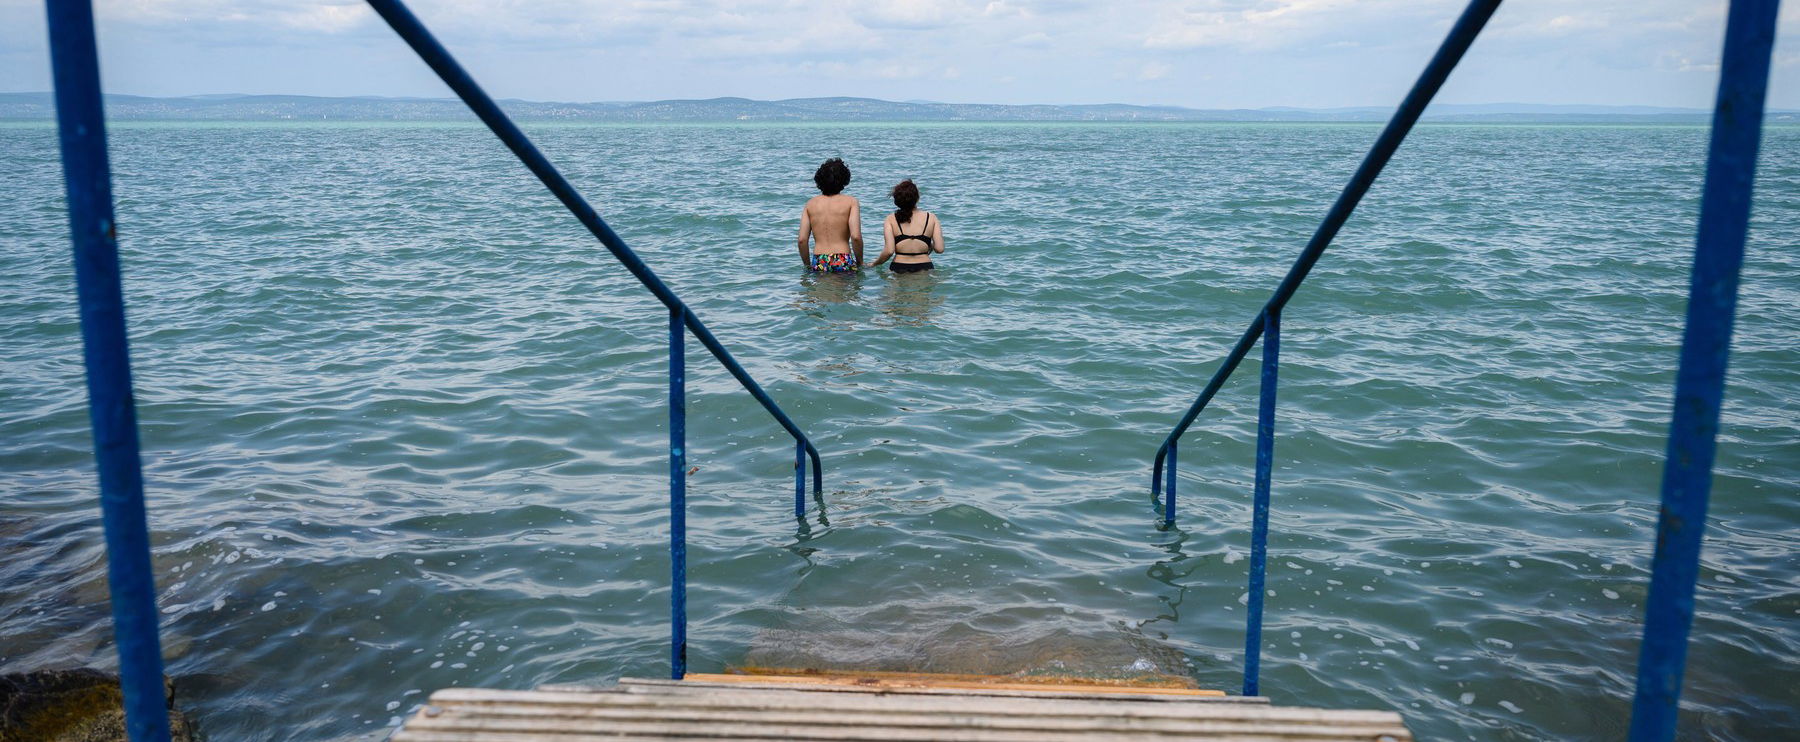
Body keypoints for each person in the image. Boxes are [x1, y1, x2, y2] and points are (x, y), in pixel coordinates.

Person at [797, 158, 863, 272]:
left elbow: (802, 240)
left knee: (822, 290)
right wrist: (860, 262)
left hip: (819, 259)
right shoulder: (851, 202)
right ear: (844, 180)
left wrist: (808, 265)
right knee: (845, 290)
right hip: (843, 258)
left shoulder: (810, 204)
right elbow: (856, 237)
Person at [872, 179, 943, 274]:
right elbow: (939, 249)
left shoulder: (891, 219)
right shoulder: (931, 217)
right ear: (917, 198)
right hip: (925, 266)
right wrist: (928, 245)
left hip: (899, 267)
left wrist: (874, 264)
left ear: (897, 200)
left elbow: (889, 251)